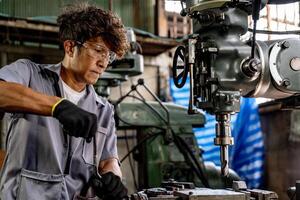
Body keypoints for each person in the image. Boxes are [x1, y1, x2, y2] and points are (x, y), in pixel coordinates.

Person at [0, 2, 129, 200]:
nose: (103, 62)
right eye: (98, 50)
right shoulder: (28, 75)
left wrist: (113, 176)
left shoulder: (103, 109)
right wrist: (56, 106)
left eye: (109, 55)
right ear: (70, 47)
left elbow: (108, 159)